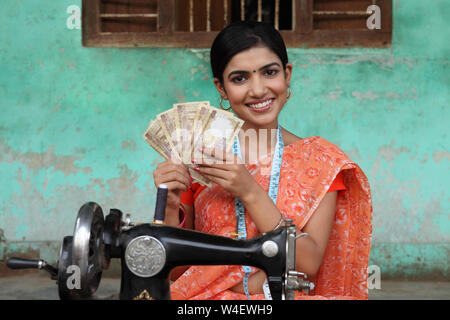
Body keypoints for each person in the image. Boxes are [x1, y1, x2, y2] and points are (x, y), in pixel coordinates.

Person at [152, 21, 372, 300]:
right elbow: (177, 275)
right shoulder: (200, 161)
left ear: (287, 74)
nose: (257, 90)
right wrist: (170, 207)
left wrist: (248, 191)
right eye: (240, 78)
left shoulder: (322, 163)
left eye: (269, 72)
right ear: (221, 88)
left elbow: (308, 264)